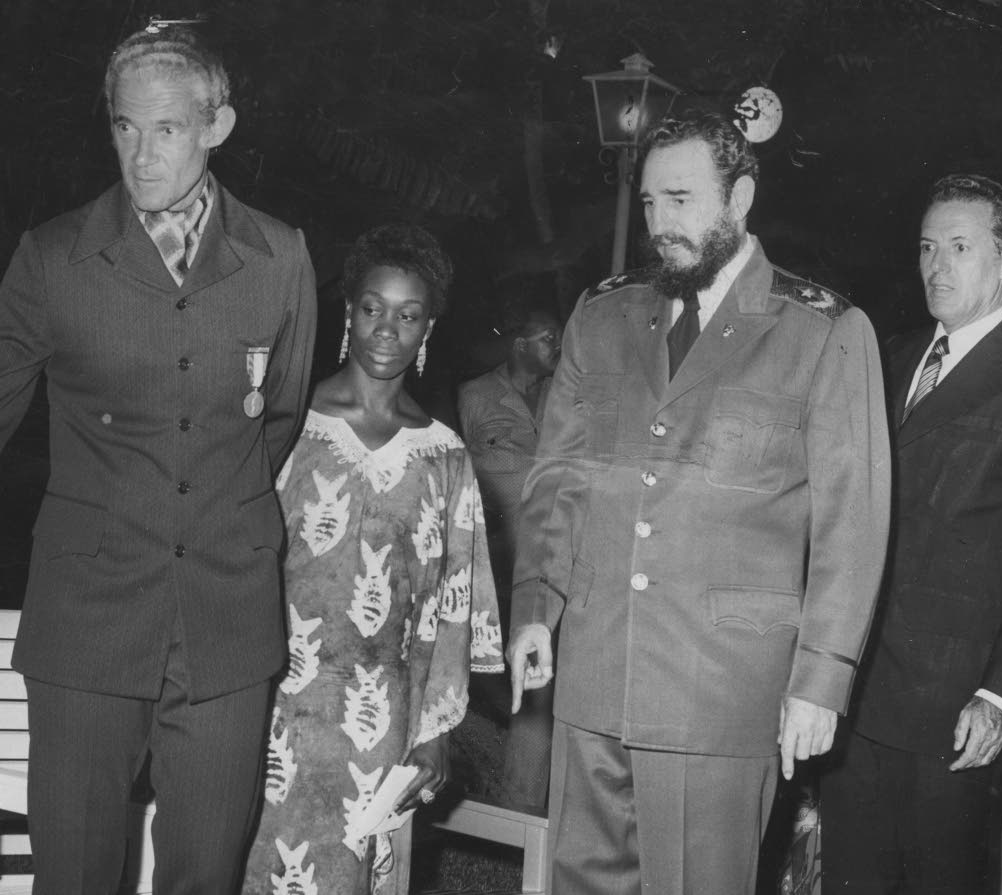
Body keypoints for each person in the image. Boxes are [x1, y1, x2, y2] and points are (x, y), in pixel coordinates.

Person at [0, 26, 317, 895]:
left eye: (168, 130)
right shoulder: (53, 257)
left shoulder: (279, 256)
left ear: (217, 125)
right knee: (74, 877)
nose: (141, 156)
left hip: (228, 618)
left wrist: (216, 509)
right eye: (124, 127)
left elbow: (279, 416)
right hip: (89, 622)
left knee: (206, 876)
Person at [505, 108, 891, 895]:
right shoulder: (603, 312)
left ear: (740, 198)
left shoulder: (823, 331)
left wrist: (821, 678)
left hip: (719, 688)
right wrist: (536, 603)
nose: (659, 224)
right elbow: (559, 475)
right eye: (649, 203)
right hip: (596, 669)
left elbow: (855, 523)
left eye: (681, 200)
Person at [242, 224, 503, 895]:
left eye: (408, 315)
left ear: (428, 331)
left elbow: (453, 603)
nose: (387, 329)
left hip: (380, 719)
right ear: (348, 312)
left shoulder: (445, 456)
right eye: (372, 308)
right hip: (271, 704)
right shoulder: (285, 423)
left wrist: (438, 730)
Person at [822, 174, 1002, 895]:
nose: (936, 265)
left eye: (960, 246)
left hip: (953, 717)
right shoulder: (890, 357)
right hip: (853, 696)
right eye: (927, 246)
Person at [457, 299, 562, 814]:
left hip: (546, 575)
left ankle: (523, 808)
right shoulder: (474, 396)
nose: (556, 348)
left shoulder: (565, 397)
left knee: (536, 689)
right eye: (547, 338)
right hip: (491, 572)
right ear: (520, 344)